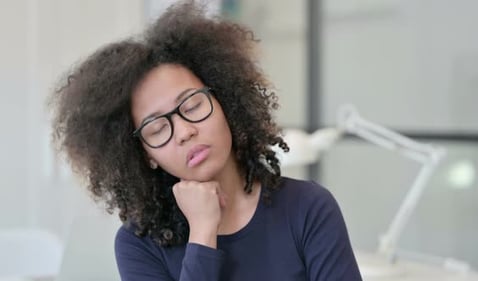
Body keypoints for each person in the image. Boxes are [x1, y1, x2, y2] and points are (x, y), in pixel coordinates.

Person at [49, 1, 362, 280]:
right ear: (145, 155)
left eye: (192, 106)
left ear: (224, 102)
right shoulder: (139, 244)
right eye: (158, 128)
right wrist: (202, 233)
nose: (185, 131)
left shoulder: (308, 209)